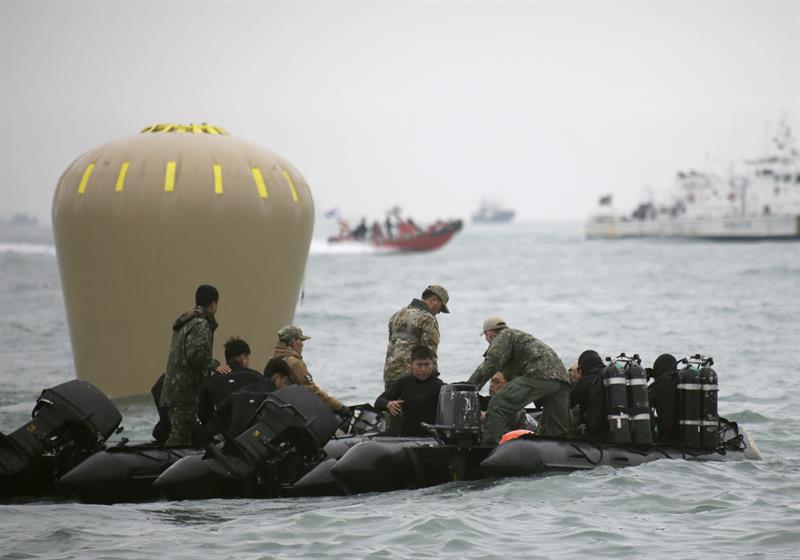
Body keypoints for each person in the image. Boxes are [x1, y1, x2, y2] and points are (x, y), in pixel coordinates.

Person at [467, 316, 570, 443]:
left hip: (538, 375)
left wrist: (469, 387)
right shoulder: (519, 338)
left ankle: (490, 447)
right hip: (562, 379)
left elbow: (491, 364)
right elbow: (511, 374)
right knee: (556, 428)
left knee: (497, 407)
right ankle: (556, 450)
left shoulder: (503, 335)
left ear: (489, 333)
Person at [160, 284, 231, 446]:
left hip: (175, 390)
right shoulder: (200, 324)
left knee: (188, 435)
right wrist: (215, 365)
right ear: (213, 304)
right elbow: (196, 354)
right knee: (180, 438)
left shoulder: (187, 322)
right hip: (184, 393)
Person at [271, 325, 351, 418]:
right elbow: (311, 390)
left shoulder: (274, 360)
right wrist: (339, 407)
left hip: (281, 408)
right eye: (300, 340)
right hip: (297, 411)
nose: (302, 344)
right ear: (292, 341)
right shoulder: (294, 362)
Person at [383, 284, 449, 389]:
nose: (440, 311)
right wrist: (434, 381)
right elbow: (429, 352)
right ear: (434, 299)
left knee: (392, 400)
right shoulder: (428, 319)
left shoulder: (396, 315)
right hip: (412, 378)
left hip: (390, 375)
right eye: (441, 307)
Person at [374, 346, 444, 437]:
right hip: (407, 434)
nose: (423, 369)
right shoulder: (404, 383)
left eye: (427, 365)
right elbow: (378, 402)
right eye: (419, 365)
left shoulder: (439, 386)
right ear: (411, 365)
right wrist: (388, 404)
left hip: (430, 435)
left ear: (432, 364)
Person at [197, 337, 264, 427]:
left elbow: (203, 415)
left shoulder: (210, 381)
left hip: (222, 430)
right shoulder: (256, 377)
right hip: (251, 429)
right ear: (242, 358)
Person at [568, 350, 608, 438]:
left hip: (596, 434)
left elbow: (567, 404)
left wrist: (575, 381)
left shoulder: (584, 382)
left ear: (582, 368)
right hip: (617, 430)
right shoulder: (609, 377)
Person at [647, 353, 679, 442]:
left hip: (666, 436)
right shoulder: (683, 379)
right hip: (688, 434)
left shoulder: (660, 383)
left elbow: (643, 402)